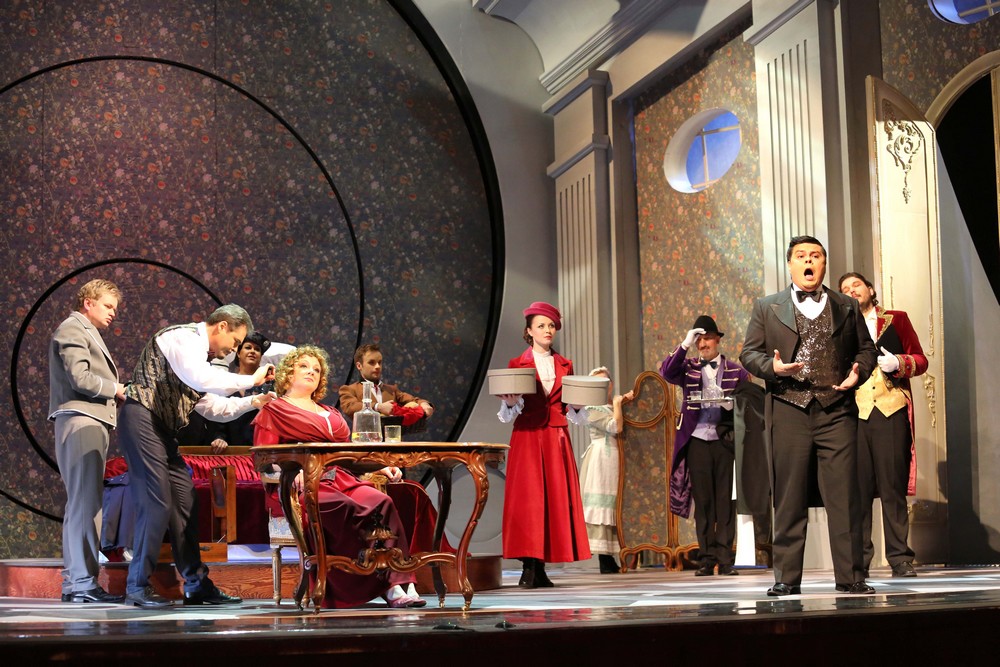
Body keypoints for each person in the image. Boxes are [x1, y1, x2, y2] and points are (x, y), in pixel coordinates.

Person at [740, 236, 878, 596]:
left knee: (844, 497)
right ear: (790, 265)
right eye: (801, 256)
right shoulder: (767, 307)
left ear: (824, 264)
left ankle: (851, 576)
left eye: (815, 256)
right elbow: (749, 354)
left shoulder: (846, 305)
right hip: (789, 409)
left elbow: (867, 351)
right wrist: (772, 368)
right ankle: (786, 579)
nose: (808, 261)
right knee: (789, 497)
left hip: (837, 410)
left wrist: (858, 372)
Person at [118, 304, 273, 608]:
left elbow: (213, 407)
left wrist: (254, 402)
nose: (233, 351)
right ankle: (136, 586)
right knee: (157, 503)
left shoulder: (200, 362)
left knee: (185, 502)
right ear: (222, 326)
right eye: (235, 342)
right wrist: (251, 380)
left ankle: (196, 585)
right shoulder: (183, 338)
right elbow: (202, 380)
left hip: (163, 432)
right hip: (141, 420)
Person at [253, 345, 426, 609]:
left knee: (381, 501)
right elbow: (264, 462)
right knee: (340, 506)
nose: (311, 372)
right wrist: (291, 471)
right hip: (304, 487)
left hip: (341, 478)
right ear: (288, 373)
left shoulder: (330, 413)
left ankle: (399, 581)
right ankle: (364, 582)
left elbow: (347, 456)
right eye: (304, 366)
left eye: (316, 369)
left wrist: (378, 468)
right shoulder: (274, 411)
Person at [839, 271, 927, 578]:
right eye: (845, 289)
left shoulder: (896, 319)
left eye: (856, 285)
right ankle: (860, 561)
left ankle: (900, 558)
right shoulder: (840, 327)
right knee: (858, 492)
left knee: (892, 489)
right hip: (855, 414)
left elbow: (921, 359)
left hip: (891, 411)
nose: (852, 291)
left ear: (870, 289)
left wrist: (899, 362)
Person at [497, 301, 591, 588]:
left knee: (553, 499)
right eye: (541, 326)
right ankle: (529, 566)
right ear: (529, 331)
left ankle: (541, 566)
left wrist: (577, 406)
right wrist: (511, 403)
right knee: (528, 501)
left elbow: (572, 408)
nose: (547, 330)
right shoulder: (517, 364)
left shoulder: (565, 364)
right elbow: (507, 413)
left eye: (551, 325)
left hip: (555, 436)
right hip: (527, 435)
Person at [48, 279, 127, 604]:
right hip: (81, 420)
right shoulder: (73, 328)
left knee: (84, 503)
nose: (113, 313)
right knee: (85, 504)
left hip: (90, 420)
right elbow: (79, 377)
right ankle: (81, 583)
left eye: (114, 308)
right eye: (108, 306)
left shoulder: (86, 331)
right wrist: (116, 389)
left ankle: (78, 583)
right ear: (88, 302)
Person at [660, 315, 750, 576]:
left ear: (718, 339)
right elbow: (666, 372)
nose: (702, 344)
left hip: (724, 441)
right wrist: (684, 343)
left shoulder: (736, 371)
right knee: (704, 502)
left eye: (707, 338)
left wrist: (731, 405)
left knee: (725, 502)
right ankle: (707, 559)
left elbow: (749, 402)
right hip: (697, 440)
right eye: (698, 340)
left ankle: (726, 560)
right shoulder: (688, 368)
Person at [578, 367, 633, 574]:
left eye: (605, 381)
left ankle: (620, 553)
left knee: (617, 503)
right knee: (603, 504)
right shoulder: (591, 409)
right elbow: (614, 427)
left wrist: (623, 401)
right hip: (601, 459)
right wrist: (619, 403)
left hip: (618, 458)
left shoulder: (613, 405)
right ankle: (605, 558)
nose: (603, 386)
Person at [338, 344, 434, 430]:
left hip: (393, 440)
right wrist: (378, 407)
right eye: (371, 362)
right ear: (359, 366)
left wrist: (425, 404)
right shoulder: (349, 389)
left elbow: (414, 400)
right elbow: (350, 407)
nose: (377, 366)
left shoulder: (392, 390)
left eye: (379, 362)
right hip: (365, 440)